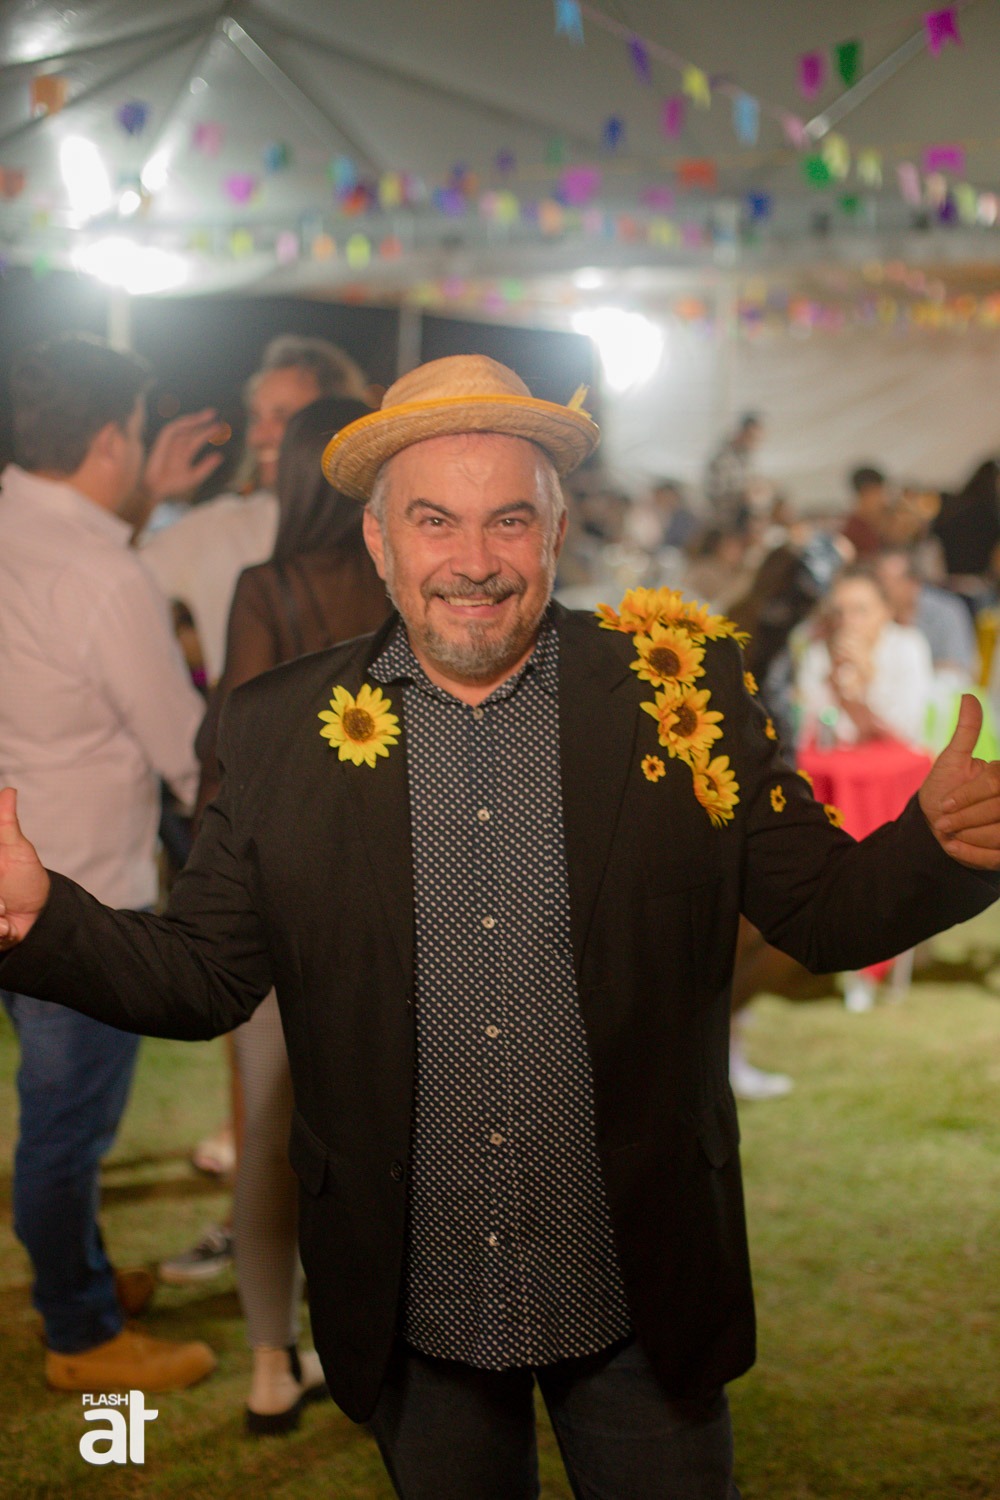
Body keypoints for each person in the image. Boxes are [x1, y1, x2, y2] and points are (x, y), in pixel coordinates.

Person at [1, 355, 999, 1500]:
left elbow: (821, 912)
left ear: (556, 531)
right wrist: (43, 917)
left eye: (508, 521)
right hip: (413, 1298)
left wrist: (941, 850)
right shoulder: (279, 730)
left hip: (637, 1283)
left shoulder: (679, 693)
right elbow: (201, 976)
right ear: (378, 540)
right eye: (434, 521)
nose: (472, 561)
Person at [0, 334, 215, 1393]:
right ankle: (79, 1333)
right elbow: (185, 748)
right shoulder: (102, 574)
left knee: (54, 1114)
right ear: (108, 441)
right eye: (133, 430)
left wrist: (144, 501)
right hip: (80, 893)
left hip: (18, 867)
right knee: (66, 1128)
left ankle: (77, 1273)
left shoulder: (19, 523)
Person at [196, 396, 391, 1433]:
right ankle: (389, 1347)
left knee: (271, 1136)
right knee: (393, 1137)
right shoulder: (409, 586)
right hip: (402, 898)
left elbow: (230, 748)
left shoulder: (266, 588)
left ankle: (272, 1363)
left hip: (279, 897)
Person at [139, 333, 371, 685]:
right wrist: (150, 495)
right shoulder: (219, 526)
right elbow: (115, 583)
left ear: (331, 422)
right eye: (256, 417)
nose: (259, 435)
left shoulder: (380, 532)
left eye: (282, 416)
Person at [795, 566, 934, 749]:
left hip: (892, 761)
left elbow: (907, 730)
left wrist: (869, 679)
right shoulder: (819, 652)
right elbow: (807, 733)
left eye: (860, 610)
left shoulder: (908, 647)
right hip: (839, 761)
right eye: (839, 612)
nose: (847, 621)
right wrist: (831, 687)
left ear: (886, 611)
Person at [703, 412, 769, 531]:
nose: (754, 443)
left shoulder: (749, 459)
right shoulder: (721, 459)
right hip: (725, 524)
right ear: (742, 433)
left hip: (745, 522)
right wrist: (744, 496)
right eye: (752, 437)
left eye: (757, 439)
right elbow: (715, 496)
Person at [840, 466, 891, 559]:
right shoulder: (853, 531)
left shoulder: (872, 526)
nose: (883, 500)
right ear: (865, 493)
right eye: (878, 493)